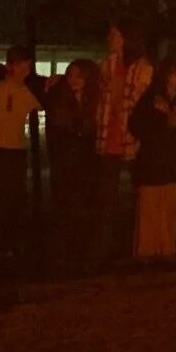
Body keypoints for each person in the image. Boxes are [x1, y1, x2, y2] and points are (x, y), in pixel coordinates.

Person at [44, 59, 105, 274]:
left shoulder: (92, 99)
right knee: (65, 207)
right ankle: (62, 256)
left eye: (79, 76)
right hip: (66, 161)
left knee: (82, 207)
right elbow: (66, 125)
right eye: (71, 75)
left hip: (85, 162)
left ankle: (79, 254)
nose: (73, 80)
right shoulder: (59, 96)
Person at [0, 46, 42, 266]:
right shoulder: (0, 88)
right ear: (10, 66)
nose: (25, 70)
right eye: (21, 65)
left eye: (27, 66)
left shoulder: (25, 90)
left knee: (13, 200)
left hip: (15, 150)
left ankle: (8, 245)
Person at [129, 57, 176, 263]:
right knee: (152, 206)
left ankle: (167, 247)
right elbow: (136, 125)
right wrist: (161, 125)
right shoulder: (151, 98)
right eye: (175, 72)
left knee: (169, 205)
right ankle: (148, 249)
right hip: (153, 162)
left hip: (173, 162)